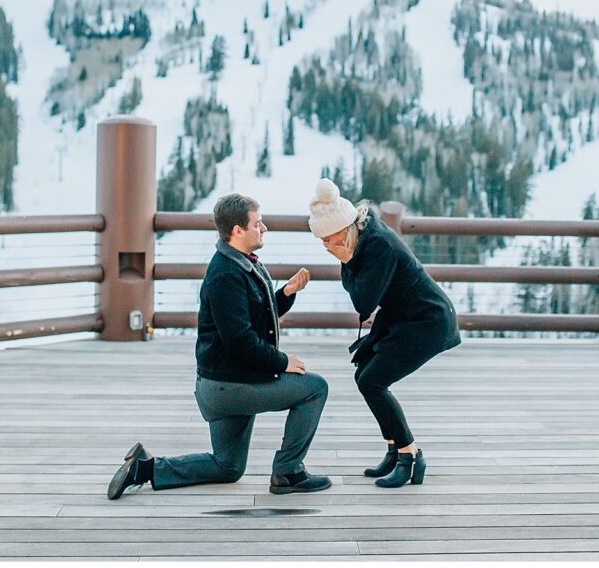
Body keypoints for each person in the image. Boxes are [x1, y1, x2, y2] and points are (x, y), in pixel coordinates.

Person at [107, 193, 332, 500]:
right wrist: (281, 362)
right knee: (315, 388)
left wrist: (287, 293)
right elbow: (240, 341)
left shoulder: (239, 264)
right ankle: (288, 471)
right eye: (257, 223)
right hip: (229, 386)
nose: (264, 228)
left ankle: (144, 469)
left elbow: (253, 319)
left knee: (228, 466)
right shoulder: (226, 274)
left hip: (223, 384)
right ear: (237, 231)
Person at [308, 178, 460, 488]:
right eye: (322, 240)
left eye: (331, 239)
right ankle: (394, 450)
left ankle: (410, 455)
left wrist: (347, 262)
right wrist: (348, 260)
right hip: (405, 317)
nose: (327, 246)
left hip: (428, 322)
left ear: (347, 228)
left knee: (373, 380)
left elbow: (363, 303)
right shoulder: (362, 239)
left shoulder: (377, 246)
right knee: (365, 373)